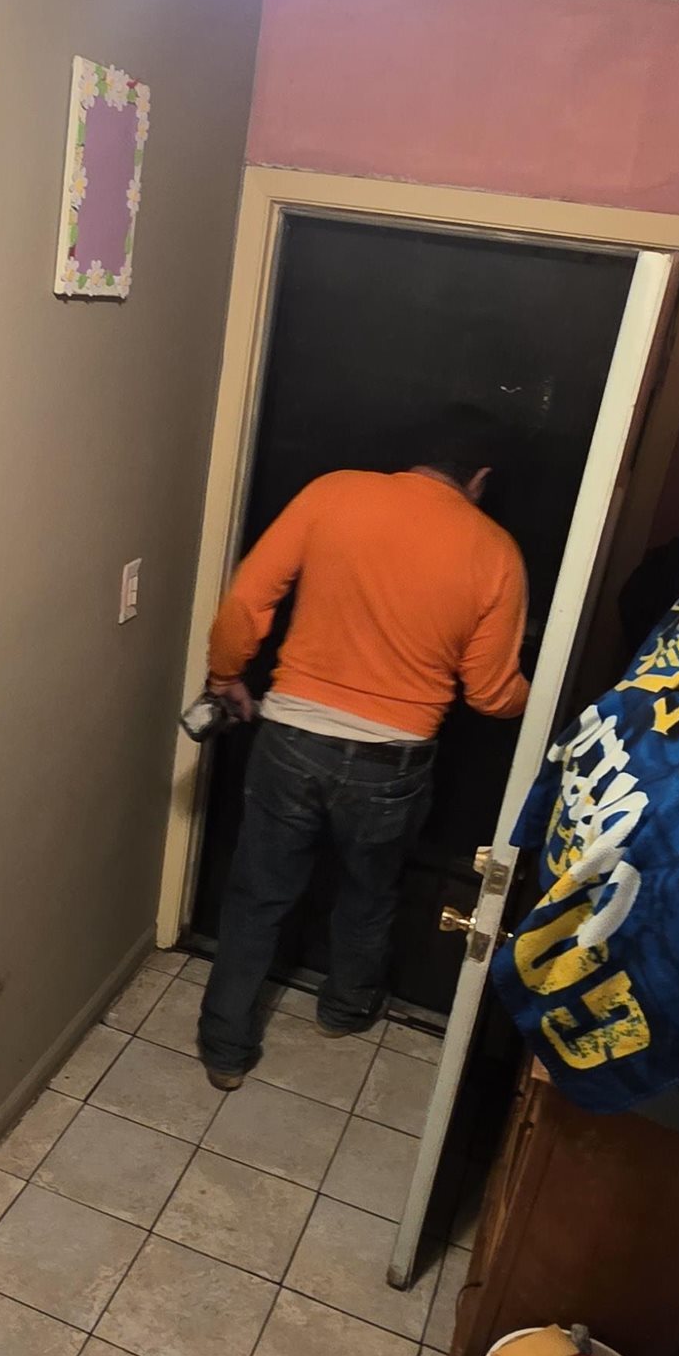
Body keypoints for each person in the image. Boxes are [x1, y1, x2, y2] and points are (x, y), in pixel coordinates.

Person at [195, 406, 532, 1089]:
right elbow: (491, 695)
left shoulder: (333, 492)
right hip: (393, 760)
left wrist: (227, 674)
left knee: (259, 895)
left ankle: (225, 1049)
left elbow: (247, 600)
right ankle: (345, 1010)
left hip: (292, 737)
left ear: (411, 459)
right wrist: (543, 690)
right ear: (480, 478)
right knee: (369, 890)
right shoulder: (495, 550)